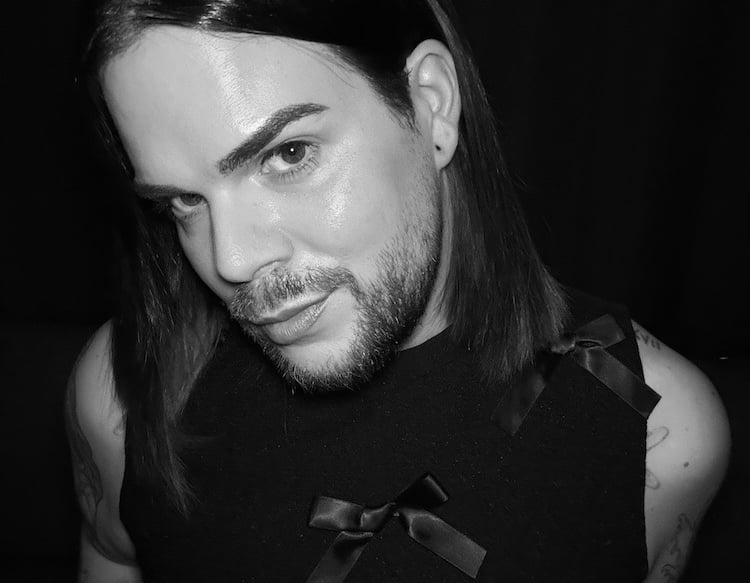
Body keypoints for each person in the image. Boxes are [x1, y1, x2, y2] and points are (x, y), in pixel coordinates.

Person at [66, 1, 730, 581]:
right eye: (182, 200)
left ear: (431, 105)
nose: (231, 259)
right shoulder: (126, 386)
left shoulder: (660, 433)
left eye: (288, 155)